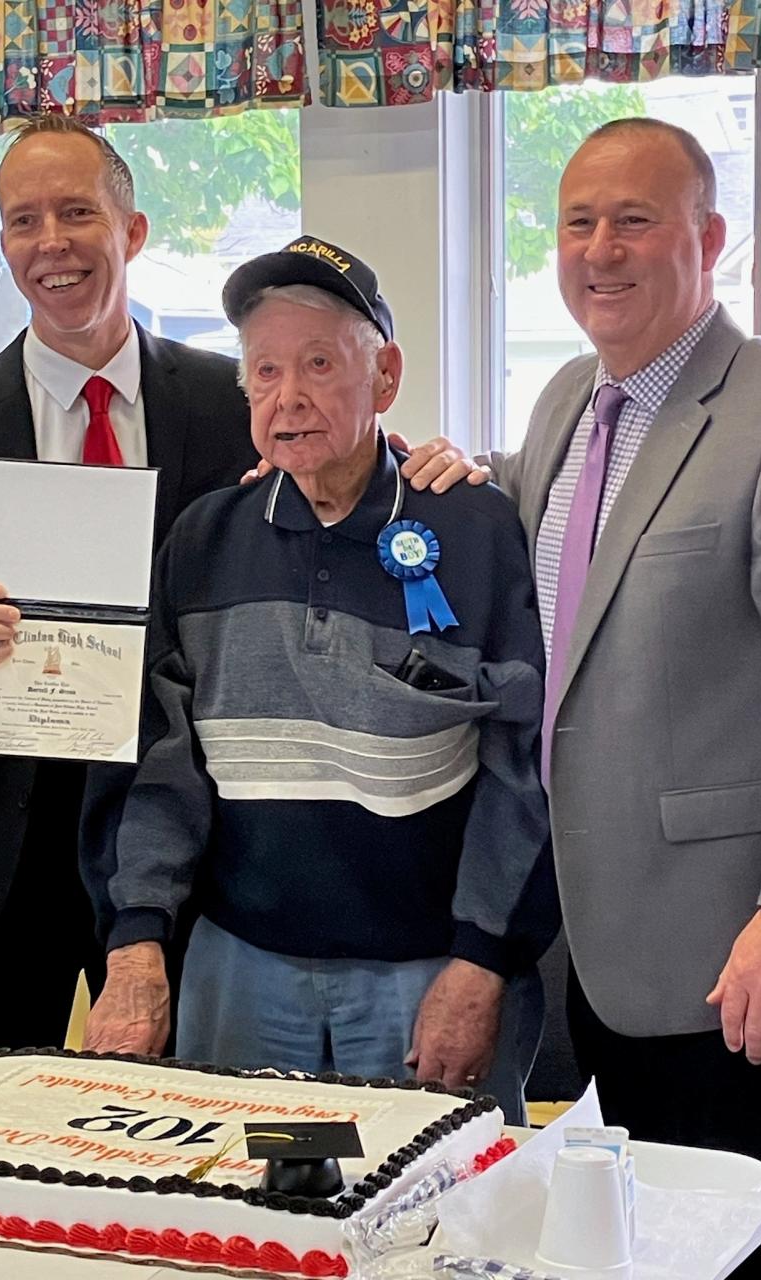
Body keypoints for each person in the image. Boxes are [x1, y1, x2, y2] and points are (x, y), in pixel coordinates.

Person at [403, 118, 761, 1276]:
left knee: (756, 1243)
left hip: (734, 948)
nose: (601, 249)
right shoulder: (566, 403)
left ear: (712, 239)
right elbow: (582, 563)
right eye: (579, 222)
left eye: (634, 220)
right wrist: (455, 470)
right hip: (590, 937)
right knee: (636, 1242)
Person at [82, 237, 558, 1119]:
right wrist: (138, 939)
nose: (286, 397)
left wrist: (483, 959)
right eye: (263, 372)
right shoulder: (204, 538)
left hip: (427, 972)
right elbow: (157, 763)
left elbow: (523, 767)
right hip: (239, 969)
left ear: (384, 378)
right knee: (235, 1229)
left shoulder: (478, 531)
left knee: (441, 1233)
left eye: (317, 365)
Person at [0, 117, 257, 1061]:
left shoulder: (238, 403)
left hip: (195, 843)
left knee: (194, 1142)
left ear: (132, 230)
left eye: (77, 212)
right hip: (1, 858)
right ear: (1, 244)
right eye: (22, 221)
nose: (51, 244)